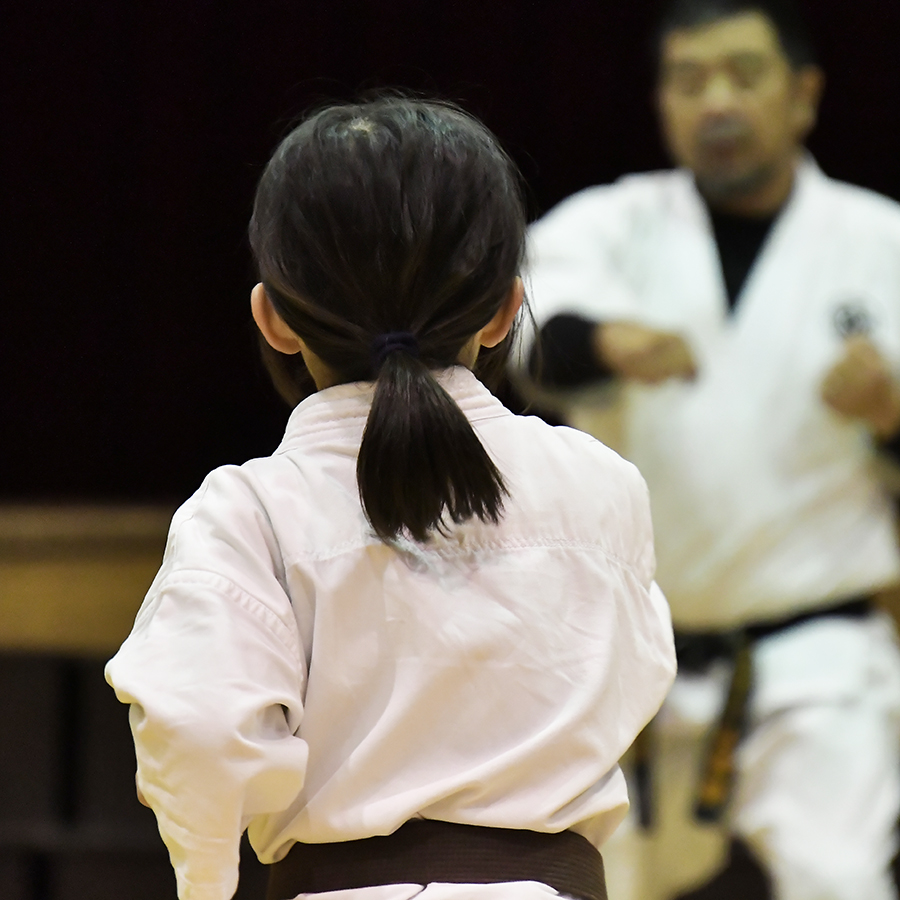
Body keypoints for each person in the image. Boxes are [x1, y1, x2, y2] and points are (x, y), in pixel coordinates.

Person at [104, 97, 676, 900]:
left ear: (271, 318)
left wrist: (206, 883)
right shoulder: (602, 485)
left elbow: (196, 729)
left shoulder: (250, 512)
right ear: (508, 308)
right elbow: (634, 688)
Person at [520, 2, 900, 899]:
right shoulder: (612, 227)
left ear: (804, 95)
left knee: (839, 880)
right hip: (631, 653)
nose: (716, 102)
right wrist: (605, 345)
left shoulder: (880, 242)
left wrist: (890, 414)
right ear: (661, 103)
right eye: (690, 82)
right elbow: (522, 334)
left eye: (743, 74)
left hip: (817, 650)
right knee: (591, 883)